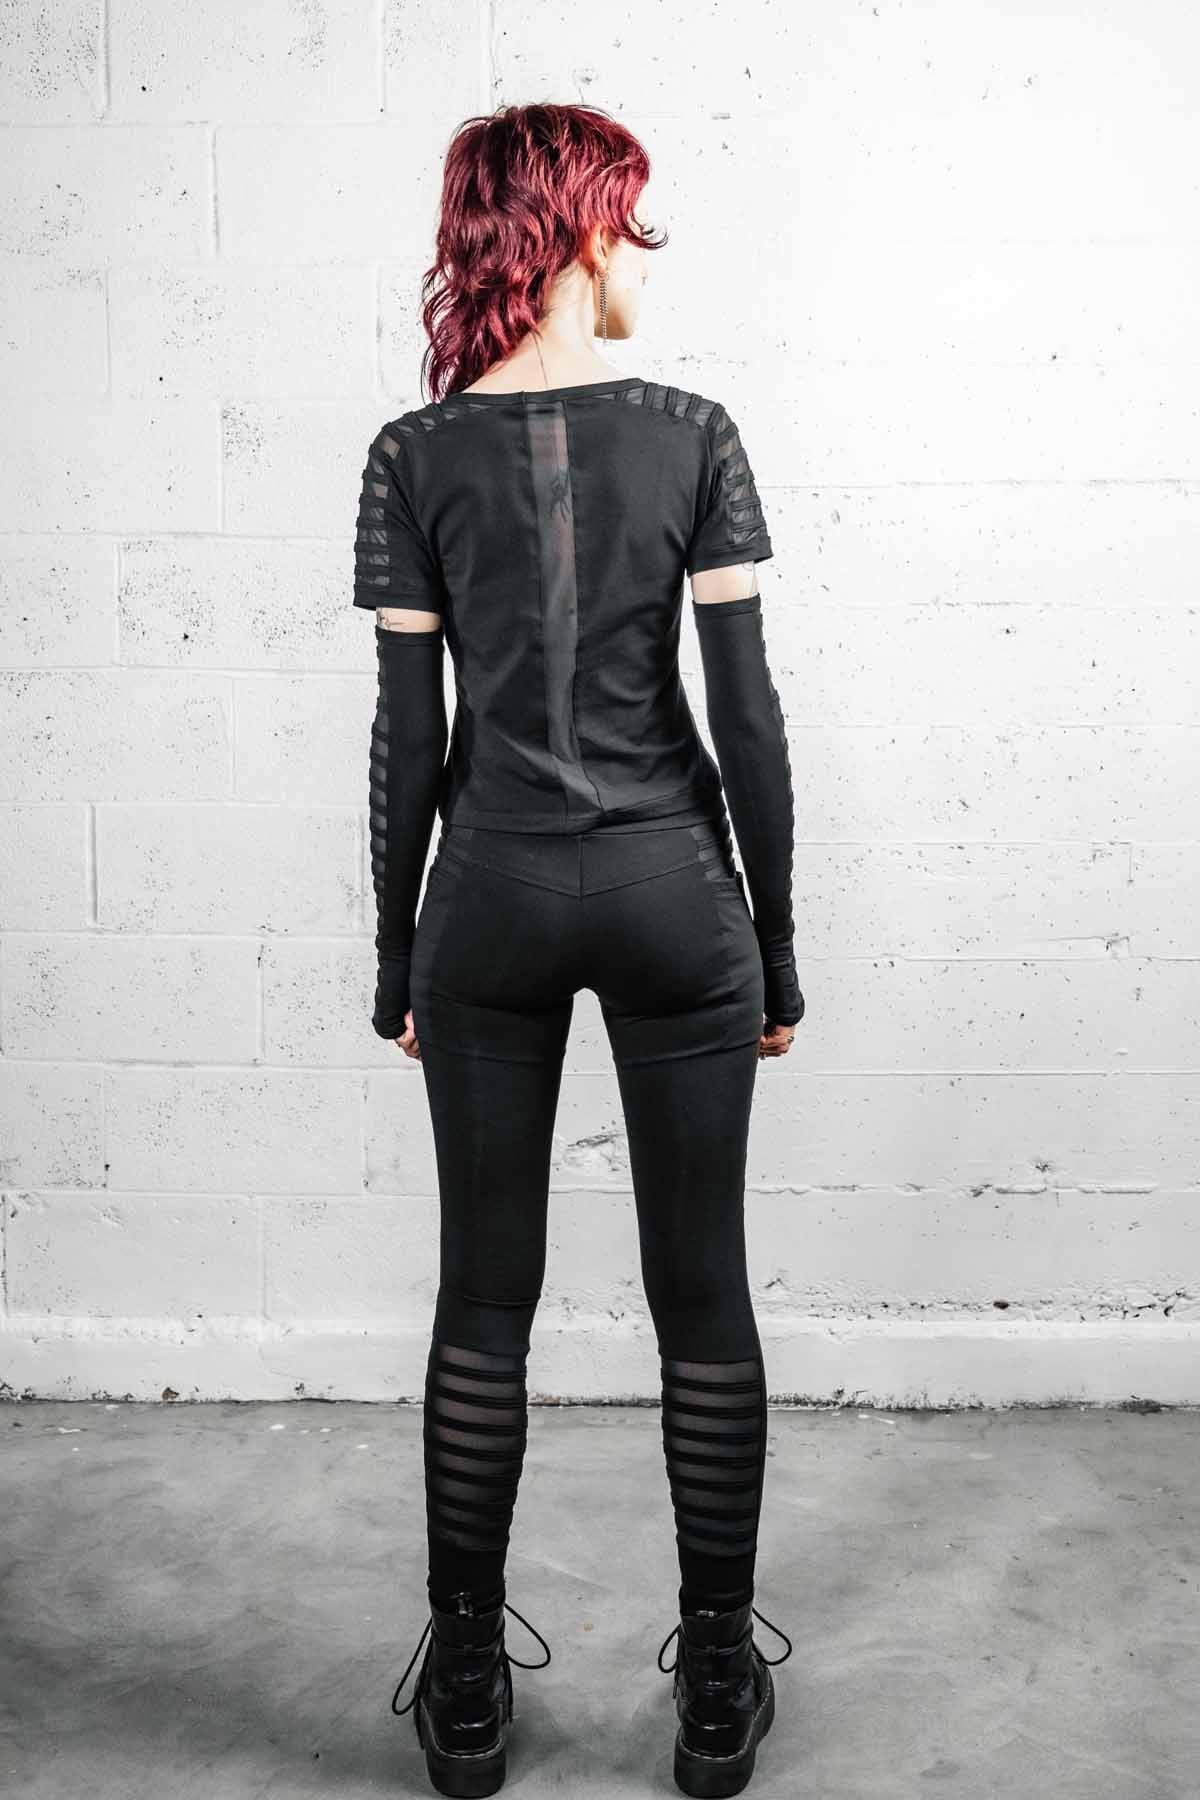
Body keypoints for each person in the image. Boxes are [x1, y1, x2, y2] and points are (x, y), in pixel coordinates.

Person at [355, 101, 800, 1799]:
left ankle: (468, 1692)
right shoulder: (694, 435)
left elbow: (409, 738)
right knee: (705, 1299)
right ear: (579, 230)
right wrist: (777, 944)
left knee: (484, 1298)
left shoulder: (410, 456)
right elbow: (746, 723)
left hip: (491, 898)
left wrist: (396, 958)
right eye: (632, 223)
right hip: (675, 891)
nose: (643, 258)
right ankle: (714, 1689)